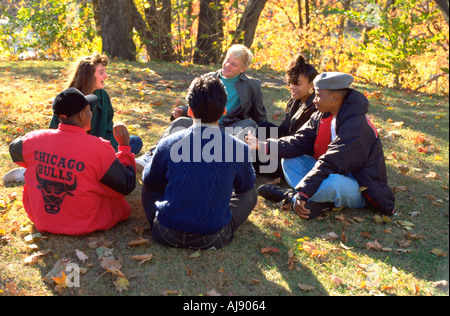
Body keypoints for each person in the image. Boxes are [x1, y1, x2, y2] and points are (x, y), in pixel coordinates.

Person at [246, 72, 395, 219]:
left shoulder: (356, 125)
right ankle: (314, 201)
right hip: (330, 170)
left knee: (333, 184)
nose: (314, 100)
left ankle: (292, 197)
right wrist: (263, 146)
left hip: (359, 184)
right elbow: (300, 140)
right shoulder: (323, 113)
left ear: (334, 97)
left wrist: (304, 192)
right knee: (289, 160)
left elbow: (330, 161)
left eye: (318, 95)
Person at [141, 75, 257, 250]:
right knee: (250, 194)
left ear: (189, 111)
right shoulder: (239, 148)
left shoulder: (168, 143)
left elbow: (149, 180)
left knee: (149, 187)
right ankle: (224, 226)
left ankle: (161, 219)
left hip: (165, 233)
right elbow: (246, 186)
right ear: (224, 110)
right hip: (212, 238)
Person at [8, 88, 136, 235]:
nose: (91, 114)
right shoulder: (99, 147)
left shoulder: (34, 139)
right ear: (81, 115)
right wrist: (125, 147)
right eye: (89, 110)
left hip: (40, 219)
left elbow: (14, 148)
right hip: (85, 223)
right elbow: (126, 185)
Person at [2, 53, 142, 186]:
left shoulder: (103, 96)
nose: (106, 75)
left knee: (134, 141)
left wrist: (111, 151)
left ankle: (121, 161)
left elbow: (108, 130)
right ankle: (29, 172)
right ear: (88, 76)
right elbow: (54, 135)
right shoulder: (67, 99)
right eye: (101, 72)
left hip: (98, 149)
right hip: (71, 155)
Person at [135, 44, 267, 172]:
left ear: (242, 69)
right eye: (227, 60)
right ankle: (151, 157)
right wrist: (184, 110)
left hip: (230, 128)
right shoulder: (208, 78)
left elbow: (259, 115)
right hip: (203, 123)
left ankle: (230, 167)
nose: (227, 65)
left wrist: (266, 141)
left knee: (250, 124)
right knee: (180, 122)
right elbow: (197, 102)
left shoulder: (252, 86)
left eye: (234, 64)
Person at [251, 54, 318, 178]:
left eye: (297, 84)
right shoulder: (295, 100)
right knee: (262, 127)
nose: (292, 87)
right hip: (287, 144)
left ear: (312, 84)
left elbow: (302, 144)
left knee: (257, 159)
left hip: (298, 154)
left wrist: (265, 146)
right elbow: (284, 130)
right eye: (291, 83)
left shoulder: (316, 107)